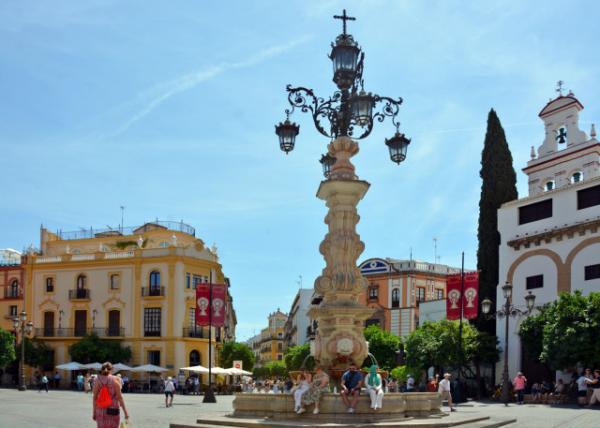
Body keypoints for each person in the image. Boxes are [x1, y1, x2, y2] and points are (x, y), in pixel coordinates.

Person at [92, 362, 129, 428]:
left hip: (101, 410)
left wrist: (94, 412)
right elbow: (120, 397)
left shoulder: (97, 380)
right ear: (112, 370)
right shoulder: (116, 379)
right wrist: (126, 413)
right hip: (113, 410)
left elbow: (95, 398)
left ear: (102, 369)